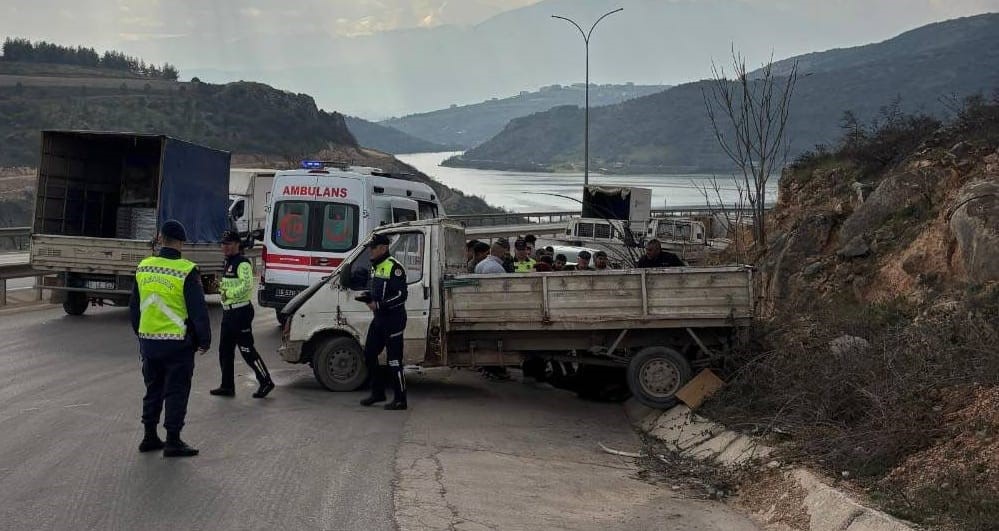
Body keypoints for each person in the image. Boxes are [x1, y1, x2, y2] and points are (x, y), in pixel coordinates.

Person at [129, 220, 210, 458]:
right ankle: (173, 440)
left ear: (160, 238)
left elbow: (135, 307)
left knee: (152, 388)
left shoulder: (144, 267)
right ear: (181, 243)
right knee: (176, 390)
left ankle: (149, 436)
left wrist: (141, 332)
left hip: (149, 343)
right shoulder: (186, 270)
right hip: (177, 343)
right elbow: (198, 310)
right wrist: (204, 339)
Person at [210, 230, 275, 399]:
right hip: (228, 313)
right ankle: (227, 386)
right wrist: (220, 287)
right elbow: (228, 285)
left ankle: (266, 381)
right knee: (225, 351)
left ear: (237, 244)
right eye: (223, 244)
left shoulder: (243, 263)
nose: (225, 247)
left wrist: (228, 293)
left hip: (241, 312)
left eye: (228, 244)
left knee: (246, 349)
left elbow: (247, 286)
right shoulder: (227, 262)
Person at [359, 233, 409, 411]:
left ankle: (400, 399)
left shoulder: (395, 267)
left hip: (393, 320)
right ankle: (378, 392)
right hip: (379, 319)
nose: (370, 251)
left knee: (394, 361)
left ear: (383, 248)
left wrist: (378, 304)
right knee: (369, 354)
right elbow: (377, 290)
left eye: (373, 248)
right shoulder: (376, 267)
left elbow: (401, 296)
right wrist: (368, 297)